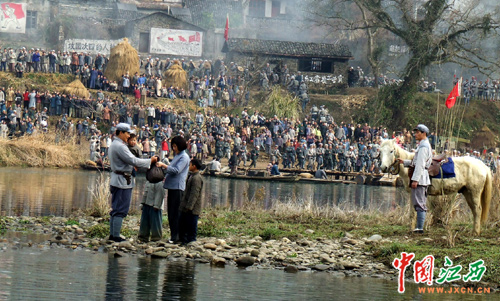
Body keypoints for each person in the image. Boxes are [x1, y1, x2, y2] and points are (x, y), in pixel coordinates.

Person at [108, 123, 158, 242]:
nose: (128, 136)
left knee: (115, 209)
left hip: (117, 179)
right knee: (121, 209)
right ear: (120, 132)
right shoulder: (120, 146)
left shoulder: (115, 144)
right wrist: (149, 161)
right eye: (127, 133)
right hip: (122, 181)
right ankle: (115, 236)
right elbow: (133, 160)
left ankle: (113, 234)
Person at [399, 124, 432, 234]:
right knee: (419, 202)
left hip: (421, 177)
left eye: (418, 132)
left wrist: (415, 179)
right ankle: (419, 227)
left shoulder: (423, 147)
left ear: (424, 133)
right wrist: (405, 162)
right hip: (422, 176)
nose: (415, 134)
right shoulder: (422, 145)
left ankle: (419, 228)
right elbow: (417, 162)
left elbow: (420, 165)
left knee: (419, 203)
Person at [162, 136, 190, 243]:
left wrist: (165, 166)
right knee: (171, 213)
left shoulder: (184, 157)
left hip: (178, 187)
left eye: (175, 146)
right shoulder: (177, 156)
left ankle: (177, 236)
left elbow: (176, 170)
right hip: (172, 187)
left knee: (176, 213)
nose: (173, 148)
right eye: (172, 146)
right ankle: (174, 235)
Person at [138, 165, 166, 243]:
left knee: (156, 222)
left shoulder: (160, 184)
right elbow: (145, 194)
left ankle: (156, 238)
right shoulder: (148, 183)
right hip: (147, 204)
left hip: (155, 206)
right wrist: (142, 203)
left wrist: (157, 205)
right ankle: (143, 236)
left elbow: (160, 196)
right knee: (144, 222)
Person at [178, 159, 204, 245]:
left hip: (192, 208)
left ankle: (191, 241)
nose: (189, 166)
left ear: (194, 166)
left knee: (191, 226)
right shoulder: (192, 176)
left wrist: (189, 206)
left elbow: (194, 194)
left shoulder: (196, 178)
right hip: (187, 206)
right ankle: (184, 240)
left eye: (190, 164)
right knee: (184, 224)